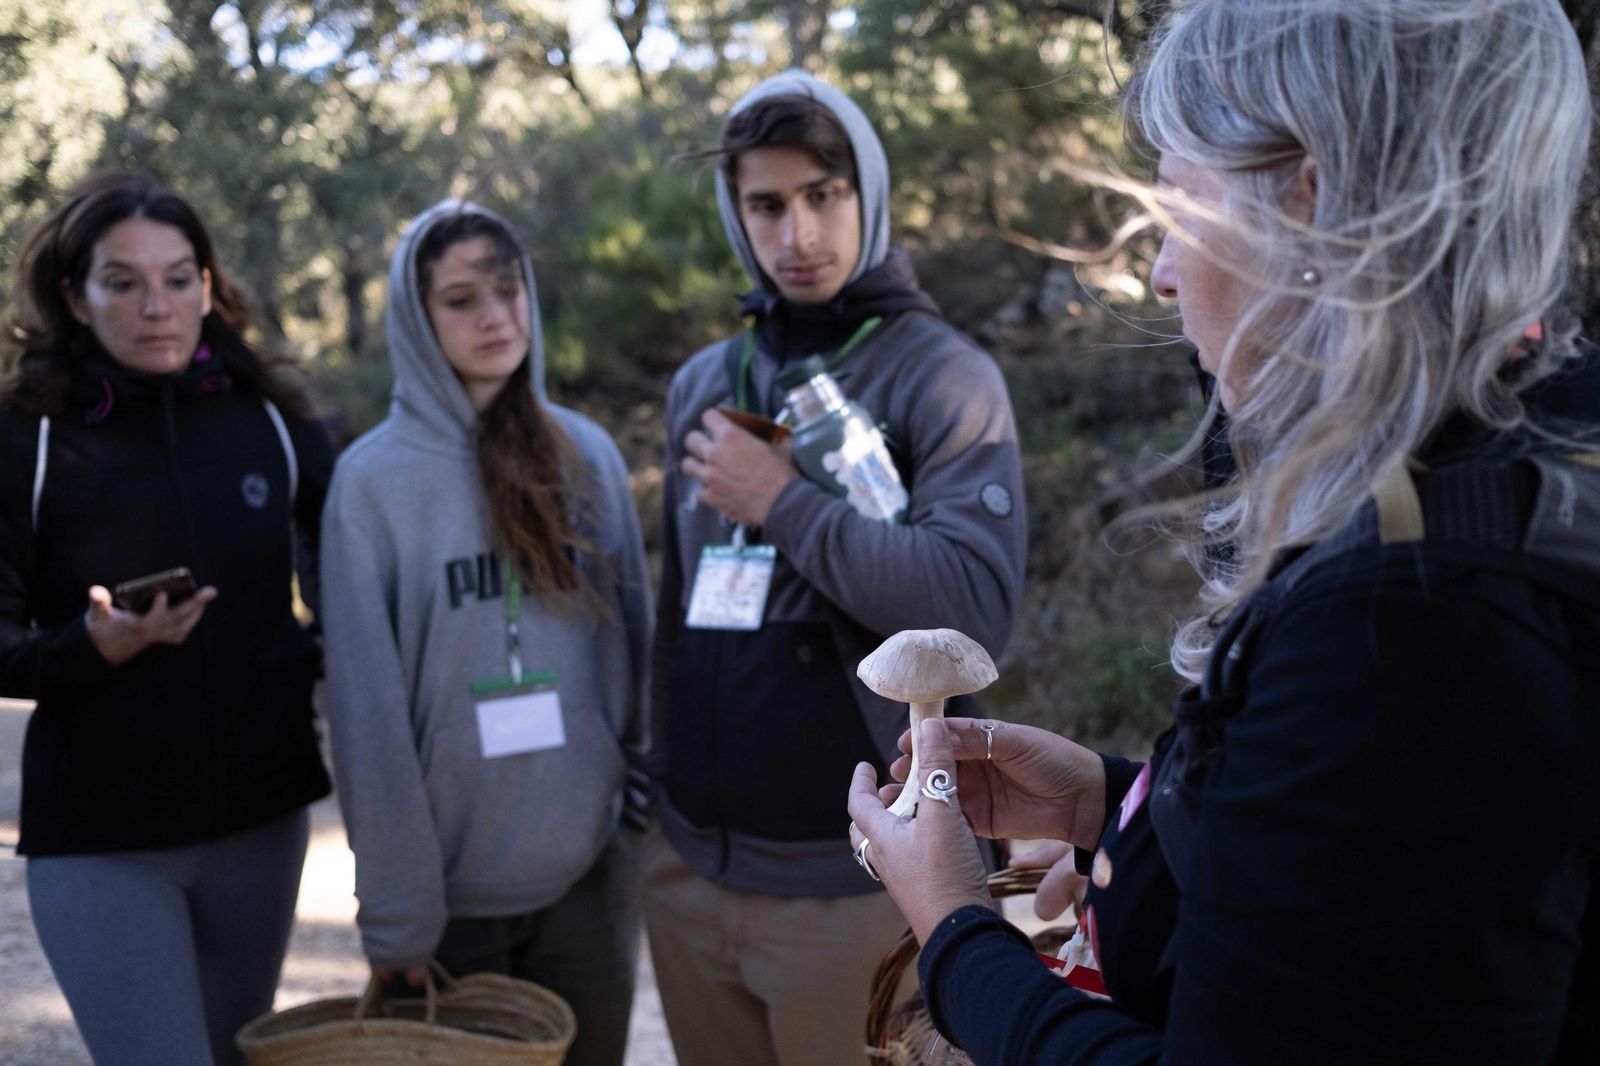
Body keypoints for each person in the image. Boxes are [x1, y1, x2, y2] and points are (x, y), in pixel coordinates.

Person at [847, 0, 1600, 1062]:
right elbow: (1371, 897)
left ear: (1311, 199)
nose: (1159, 272)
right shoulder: (1524, 447)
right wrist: (1116, 804)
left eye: (1179, 206)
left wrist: (955, 928)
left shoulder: (1410, 619)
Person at [647, 69, 1028, 1066]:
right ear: (736, 215)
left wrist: (780, 500)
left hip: (862, 879)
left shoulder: (940, 374)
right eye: (766, 205)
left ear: (869, 192)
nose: (798, 233)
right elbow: (675, 615)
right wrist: (658, 808)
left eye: (824, 195)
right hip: (692, 871)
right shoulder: (703, 384)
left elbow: (972, 610)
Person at [0, 171, 334, 1065]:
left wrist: (318, 654)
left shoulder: (270, 419)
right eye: (124, 283)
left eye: (179, 279)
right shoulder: (27, 438)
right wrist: (89, 647)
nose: (158, 307)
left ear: (208, 286)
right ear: (76, 297)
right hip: (104, 846)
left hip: (262, 830)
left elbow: (353, 568)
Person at [318, 200, 651, 1066]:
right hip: (450, 906)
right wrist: (398, 916)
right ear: (417, 318)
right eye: (462, 300)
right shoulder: (372, 484)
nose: (496, 316)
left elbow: (637, 651)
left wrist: (636, 813)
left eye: (509, 290)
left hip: (587, 882)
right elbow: (367, 714)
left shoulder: (586, 455)